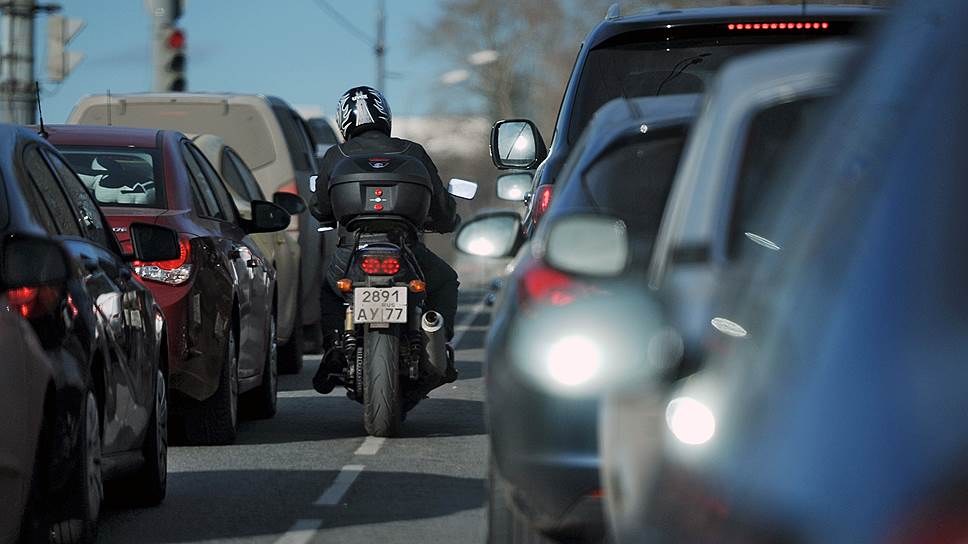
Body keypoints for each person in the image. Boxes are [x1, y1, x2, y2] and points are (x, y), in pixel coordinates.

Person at [310, 86, 460, 394]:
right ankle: (436, 338)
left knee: (330, 289)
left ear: (344, 121)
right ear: (384, 116)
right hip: (407, 249)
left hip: (352, 250)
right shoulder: (412, 151)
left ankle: (335, 346)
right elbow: (441, 206)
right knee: (445, 280)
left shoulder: (336, 155)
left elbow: (320, 208)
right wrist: (446, 221)